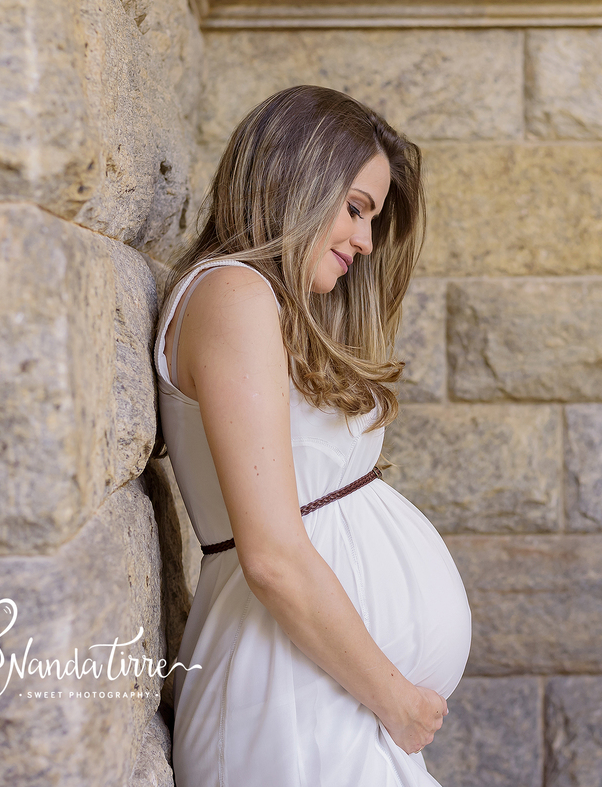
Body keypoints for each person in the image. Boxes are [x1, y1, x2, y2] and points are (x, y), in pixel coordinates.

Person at [152, 84, 472, 787]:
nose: (365, 239)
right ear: (294, 177)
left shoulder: (259, 304)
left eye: (373, 217)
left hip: (324, 693)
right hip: (289, 701)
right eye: (355, 207)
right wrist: (397, 698)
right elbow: (271, 555)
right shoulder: (232, 296)